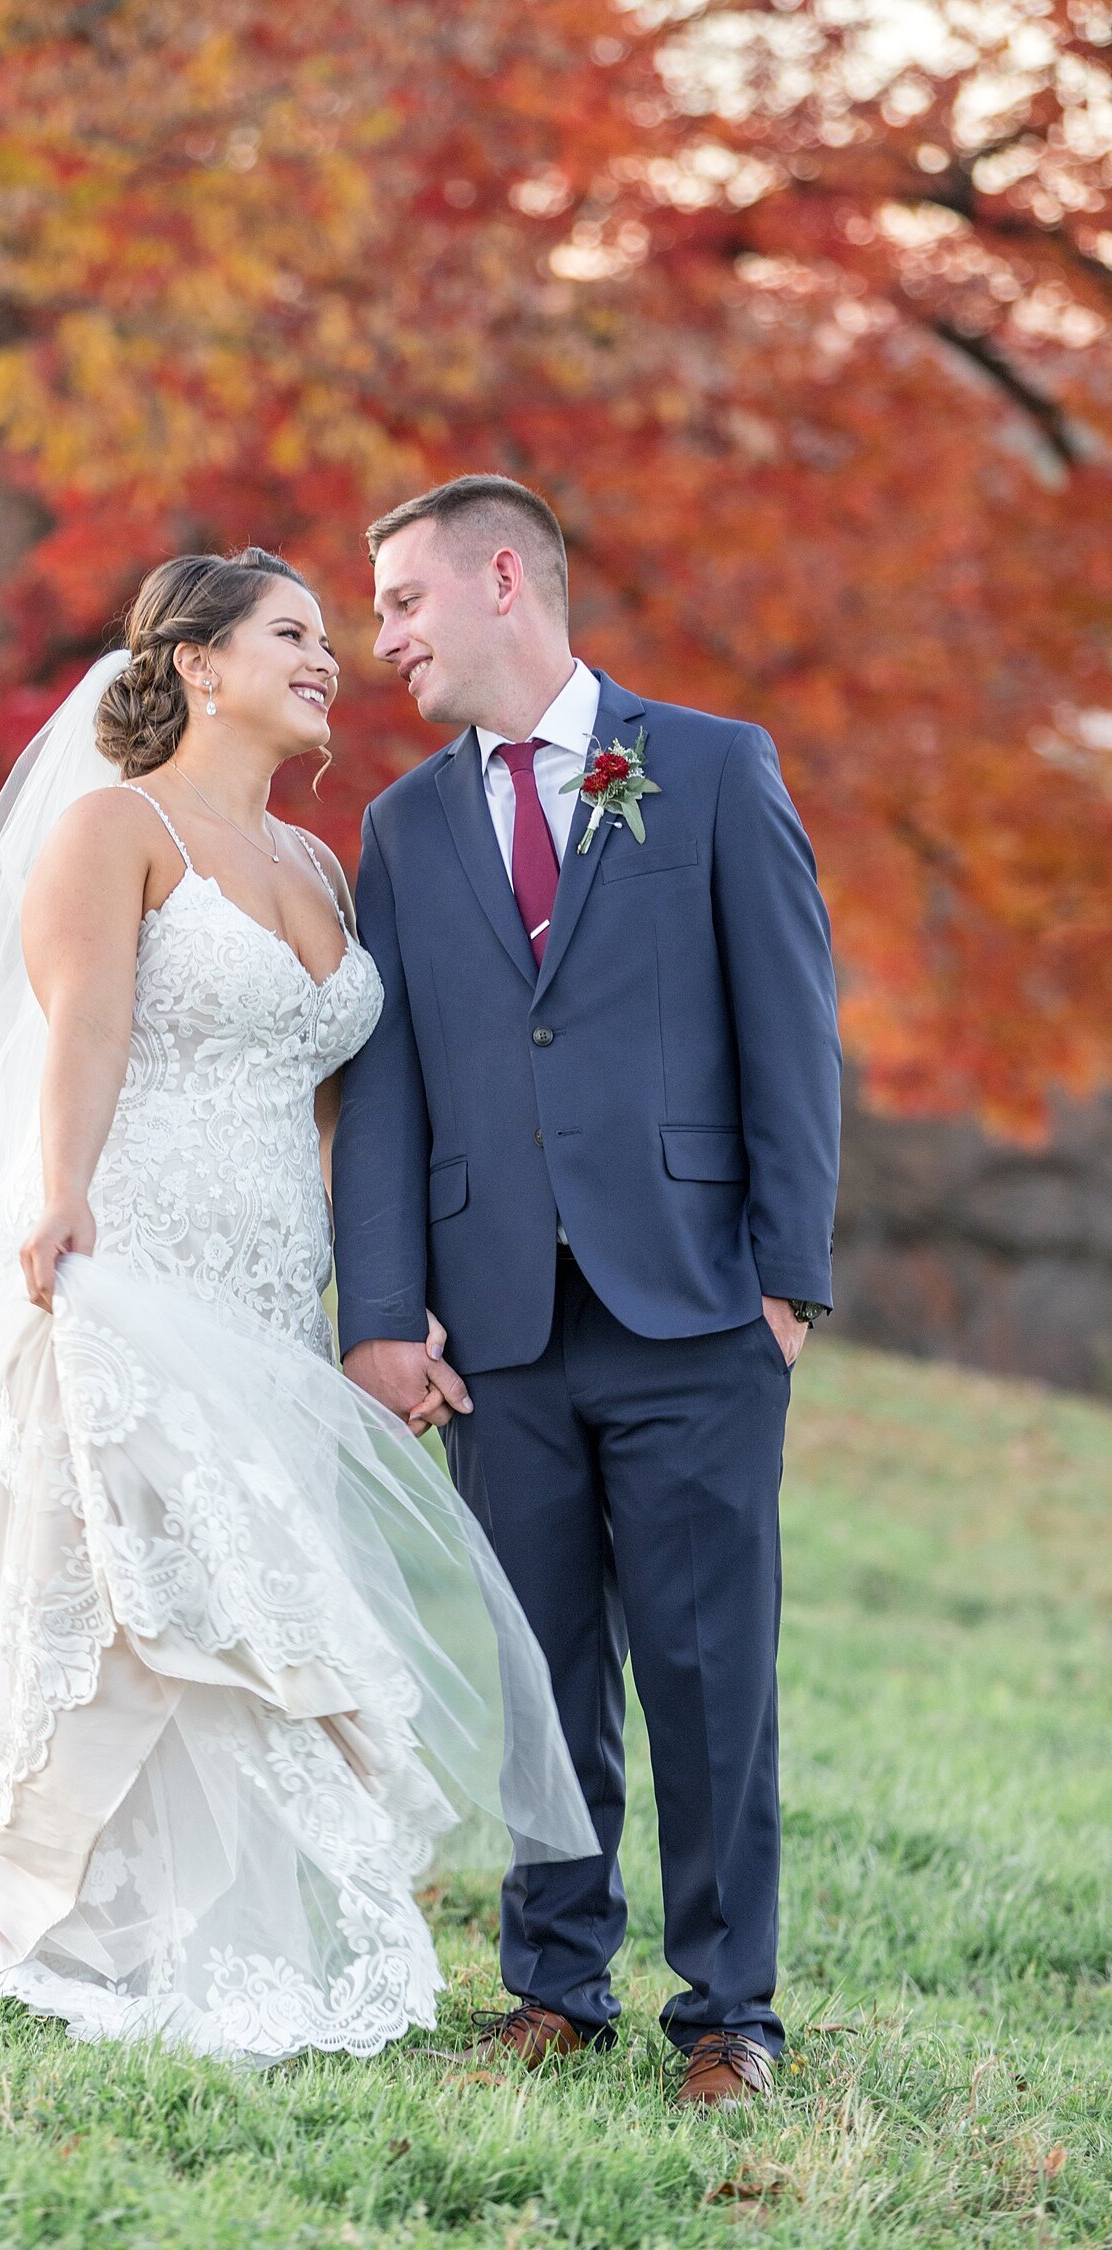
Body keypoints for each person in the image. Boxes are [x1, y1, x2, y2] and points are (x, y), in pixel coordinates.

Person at [0, 546, 594, 2065]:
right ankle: (51, 1924)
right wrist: (62, 1188)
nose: (329, 659)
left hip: (275, 1289)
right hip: (138, 1263)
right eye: (293, 632)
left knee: (256, 1598)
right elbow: (82, 1023)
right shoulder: (113, 826)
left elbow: (348, 1116)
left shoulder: (323, 870)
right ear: (197, 662)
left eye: (332, 638)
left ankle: (236, 1942)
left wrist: (391, 1303)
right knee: (146, 1603)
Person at [333, 475, 842, 2104]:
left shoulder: (704, 764)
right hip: (500, 1330)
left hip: (698, 1309)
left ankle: (729, 2014)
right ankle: (554, 1982)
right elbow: (392, 1085)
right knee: (537, 1672)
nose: (384, 636)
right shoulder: (405, 827)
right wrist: (381, 1311)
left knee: (708, 1673)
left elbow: (793, 1030)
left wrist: (786, 1284)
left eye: (403, 601)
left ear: (503, 578)